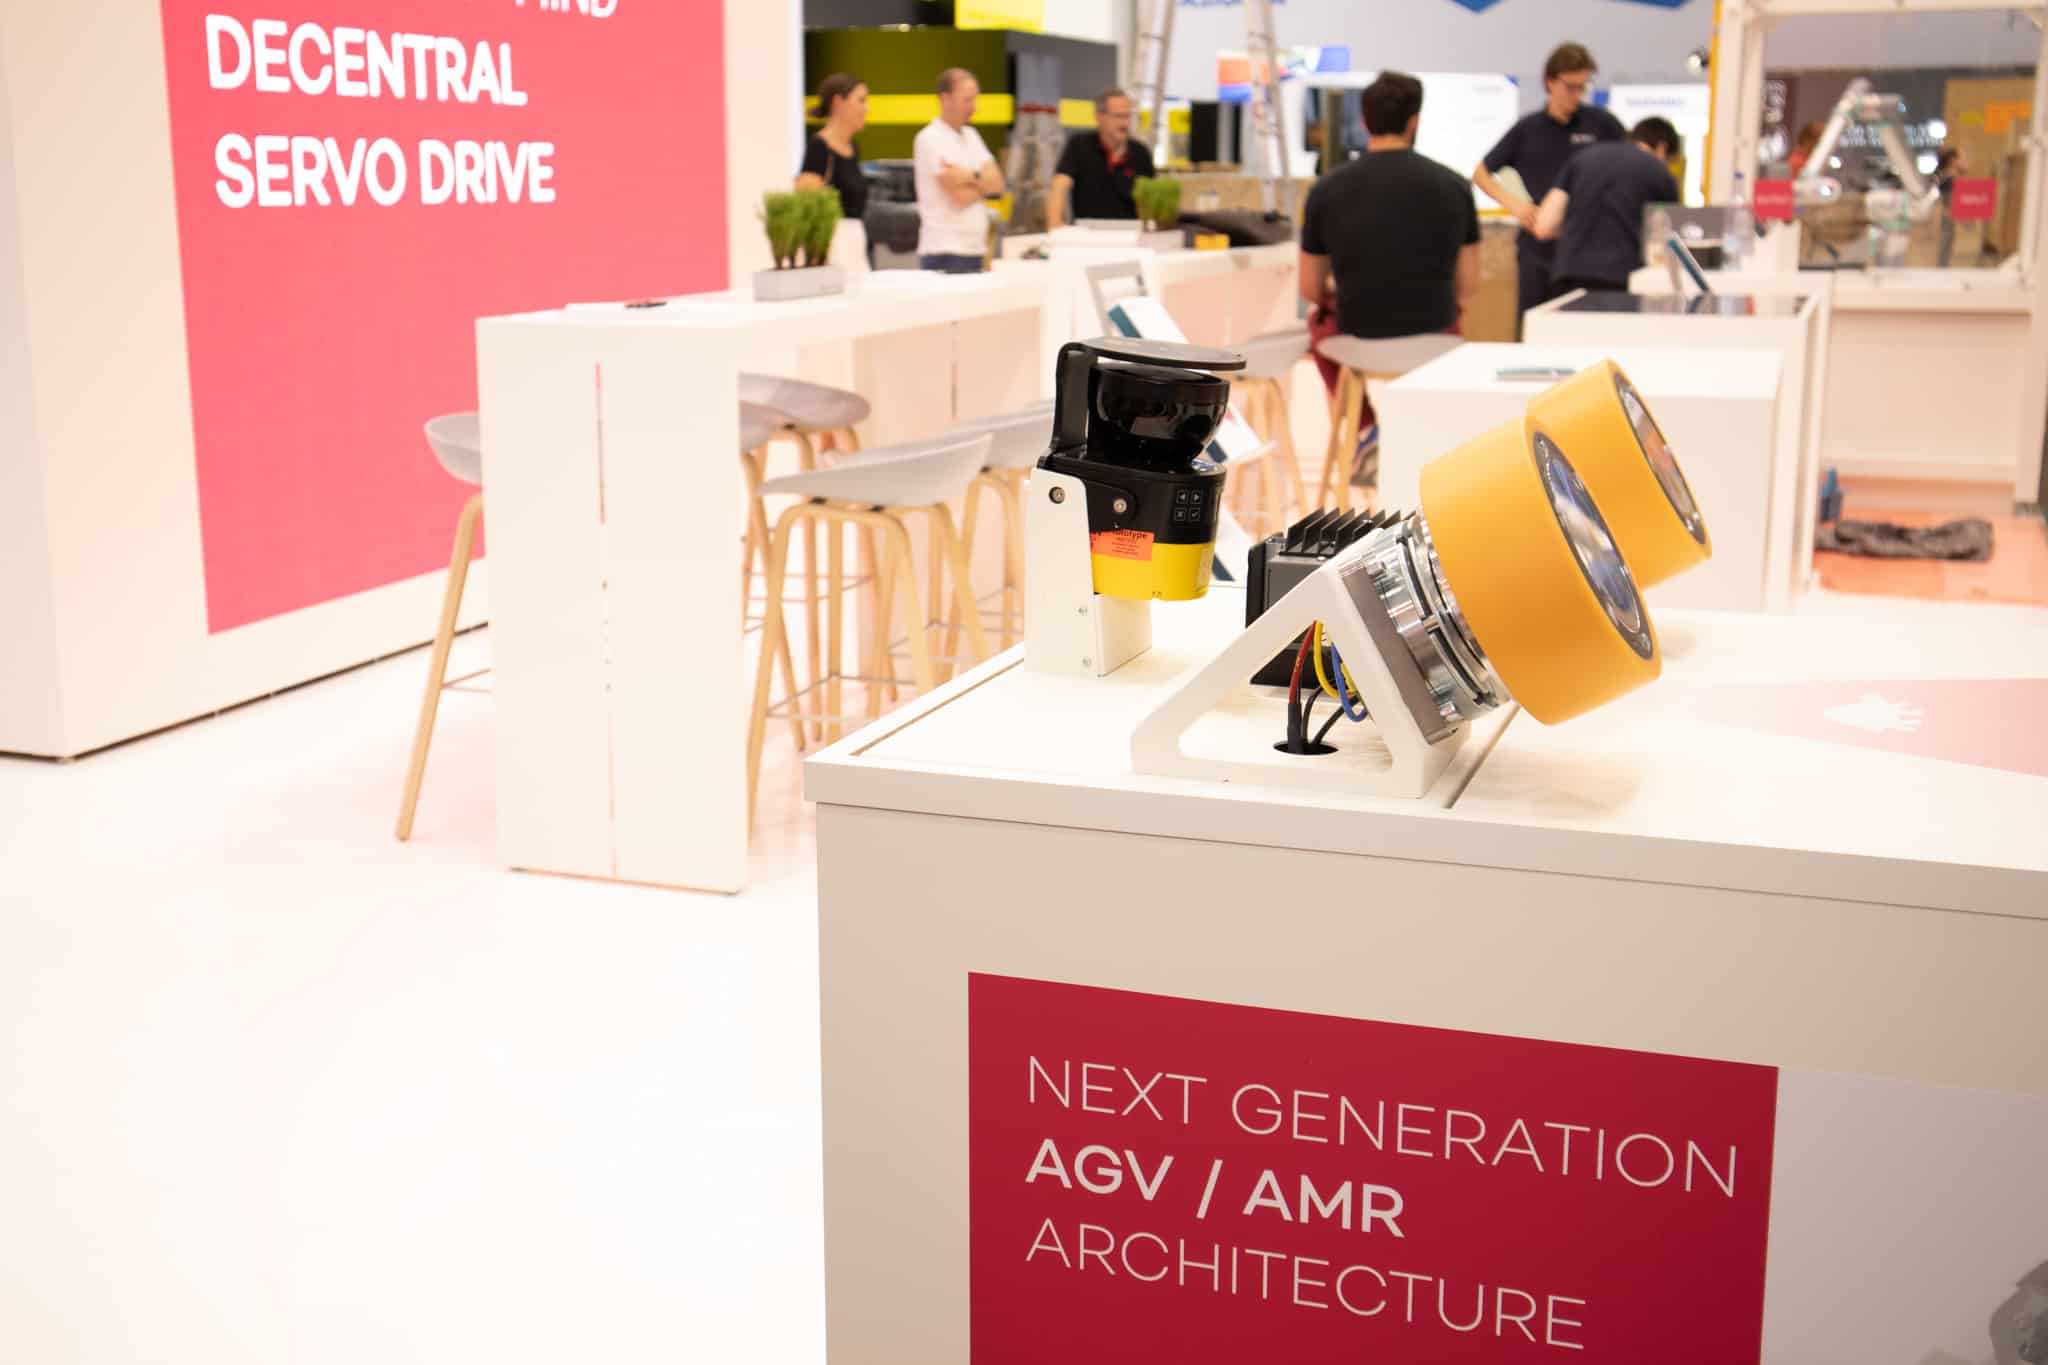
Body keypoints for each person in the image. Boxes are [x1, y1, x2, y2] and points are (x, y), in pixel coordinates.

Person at [1300, 72, 1480, 486]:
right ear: (1414, 121)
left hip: (1357, 338)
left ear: (1364, 122)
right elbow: (1469, 285)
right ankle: (1427, 436)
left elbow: (1310, 288)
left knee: (1318, 321)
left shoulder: (1326, 190)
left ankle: (1366, 430)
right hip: (1437, 339)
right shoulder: (1455, 187)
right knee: (1457, 311)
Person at [1473, 42, 1625, 325]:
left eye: (1583, 87)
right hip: (1538, 251)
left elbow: (1626, 169)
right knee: (1533, 328)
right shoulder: (1527, 130)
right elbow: (1481, 174)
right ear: (1550, 82)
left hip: (1588, 251)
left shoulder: (1602, 125)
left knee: (1584, 331)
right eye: (1570, 87)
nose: (1577, 95)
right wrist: (1518, 207)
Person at [1532, 116, 1682, 297]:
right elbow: (1665, 243)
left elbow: (1544, 226)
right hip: (1624, 279)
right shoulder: (1658, 171)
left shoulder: (1582, 158)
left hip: (1569, 276)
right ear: (1662, 148)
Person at [913, 68, 1006, 273]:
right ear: (945, 99)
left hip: (974, 250)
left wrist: (969, 176)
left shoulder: (972, 136)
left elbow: (999, 183)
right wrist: (983, 182)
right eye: (967, 100)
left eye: (975, 100)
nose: (973, 108)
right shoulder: (930, 138)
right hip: (945, 253)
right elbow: (960, 197)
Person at [1047, 88, 1155, 228]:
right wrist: (1055, 226)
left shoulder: (1140, 153)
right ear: (1099, 117)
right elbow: (1059, 186)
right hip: (1087, 234)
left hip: (1130, 235)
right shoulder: (1079, 146)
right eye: (1118, 116)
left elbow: (1150, 200)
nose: (1125, 123)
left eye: (1127, 116)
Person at [796, 73, 869, 222]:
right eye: (861, 101)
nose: (866, 108)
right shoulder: (819, 147)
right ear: (838, 102)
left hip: (855, 239)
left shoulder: (852, 147)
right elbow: (806, 204)